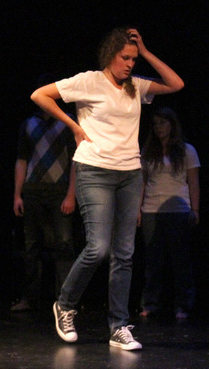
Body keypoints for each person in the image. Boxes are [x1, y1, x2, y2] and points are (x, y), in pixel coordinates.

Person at [31, 27, 184, 350]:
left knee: (124, 255)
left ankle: (118, 326)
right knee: (98, 248)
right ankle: (65, 304)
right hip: (94, 171)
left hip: (130, 174)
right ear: (110, 55)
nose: (129, 64)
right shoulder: (88, 81)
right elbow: (39, 95)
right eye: (124, 57)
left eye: (133, 59)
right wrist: (73, 125)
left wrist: (145, 51)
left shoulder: (136, 86)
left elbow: (176, 83)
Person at [12, 74, 76, 312]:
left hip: (59, 191)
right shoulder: (29, 124)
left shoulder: (69, 121)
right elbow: (21, 160)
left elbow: (75, 161)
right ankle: (30, 298)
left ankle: (65, 300)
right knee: (31, 246)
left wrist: (72, 194)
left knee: (64, 244)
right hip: (33, 191)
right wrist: (17, 194)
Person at [138, 107, 200, 320]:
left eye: (162, 123)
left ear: (172, 125)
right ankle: (150, 303)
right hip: (151, 210)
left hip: (178, 210)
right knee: (152, 261)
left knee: (180, 260)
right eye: (155, 124)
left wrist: (195, 209)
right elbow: (142, 184)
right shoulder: (148, 152)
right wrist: (138, 209)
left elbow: (193, 182)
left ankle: (183, 304)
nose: (158, 128)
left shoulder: (187, 151)